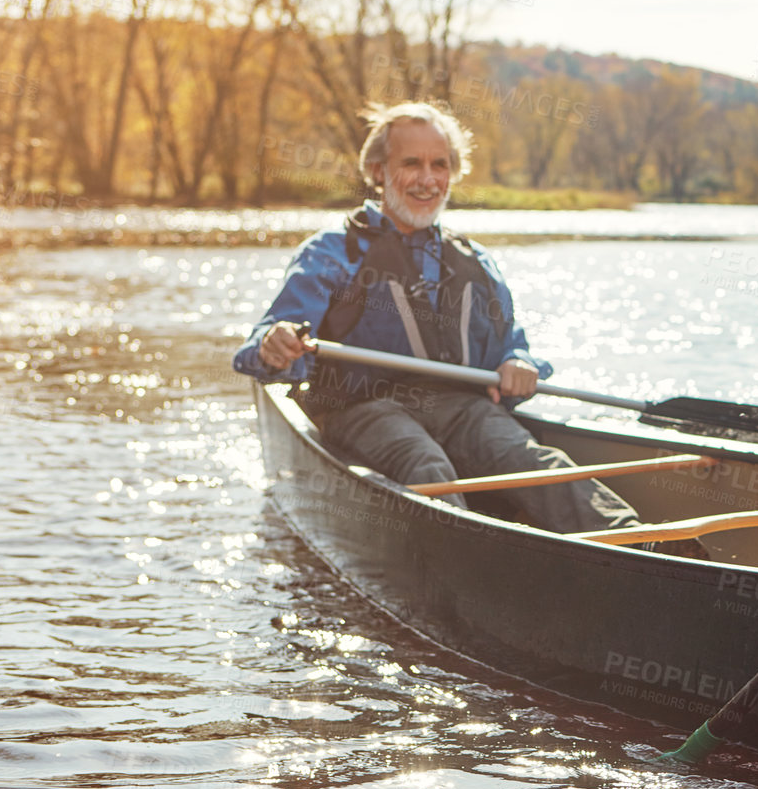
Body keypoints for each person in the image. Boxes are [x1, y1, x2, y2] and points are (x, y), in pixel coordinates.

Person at [233, 101, 638, 533]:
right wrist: (274, 345)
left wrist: (519, 364)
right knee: (424, 461)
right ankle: (472, 564)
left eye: (439, 165)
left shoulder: (475, 259)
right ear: (377, 171)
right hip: (362, 406)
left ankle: (636, 543)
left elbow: (511, 347)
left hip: (460, 406)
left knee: (532, 459)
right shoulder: (331, 251)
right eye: (411, 163)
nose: (427, 179)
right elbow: (262, 346)